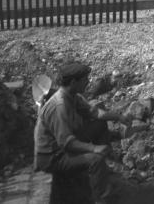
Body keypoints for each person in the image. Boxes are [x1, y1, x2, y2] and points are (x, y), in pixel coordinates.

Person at [34, 61, 124, 203]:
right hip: (52, 157)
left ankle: (106, 168)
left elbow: (95, 113)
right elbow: (67, 143)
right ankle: (102, 199)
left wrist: (120, 117)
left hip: (62, 147)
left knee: (99, 125)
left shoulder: (73, 96)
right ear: (74, 82)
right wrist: (94, 148)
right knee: (95, 160)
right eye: (85, 80)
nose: (88, 82)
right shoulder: (60, 105)